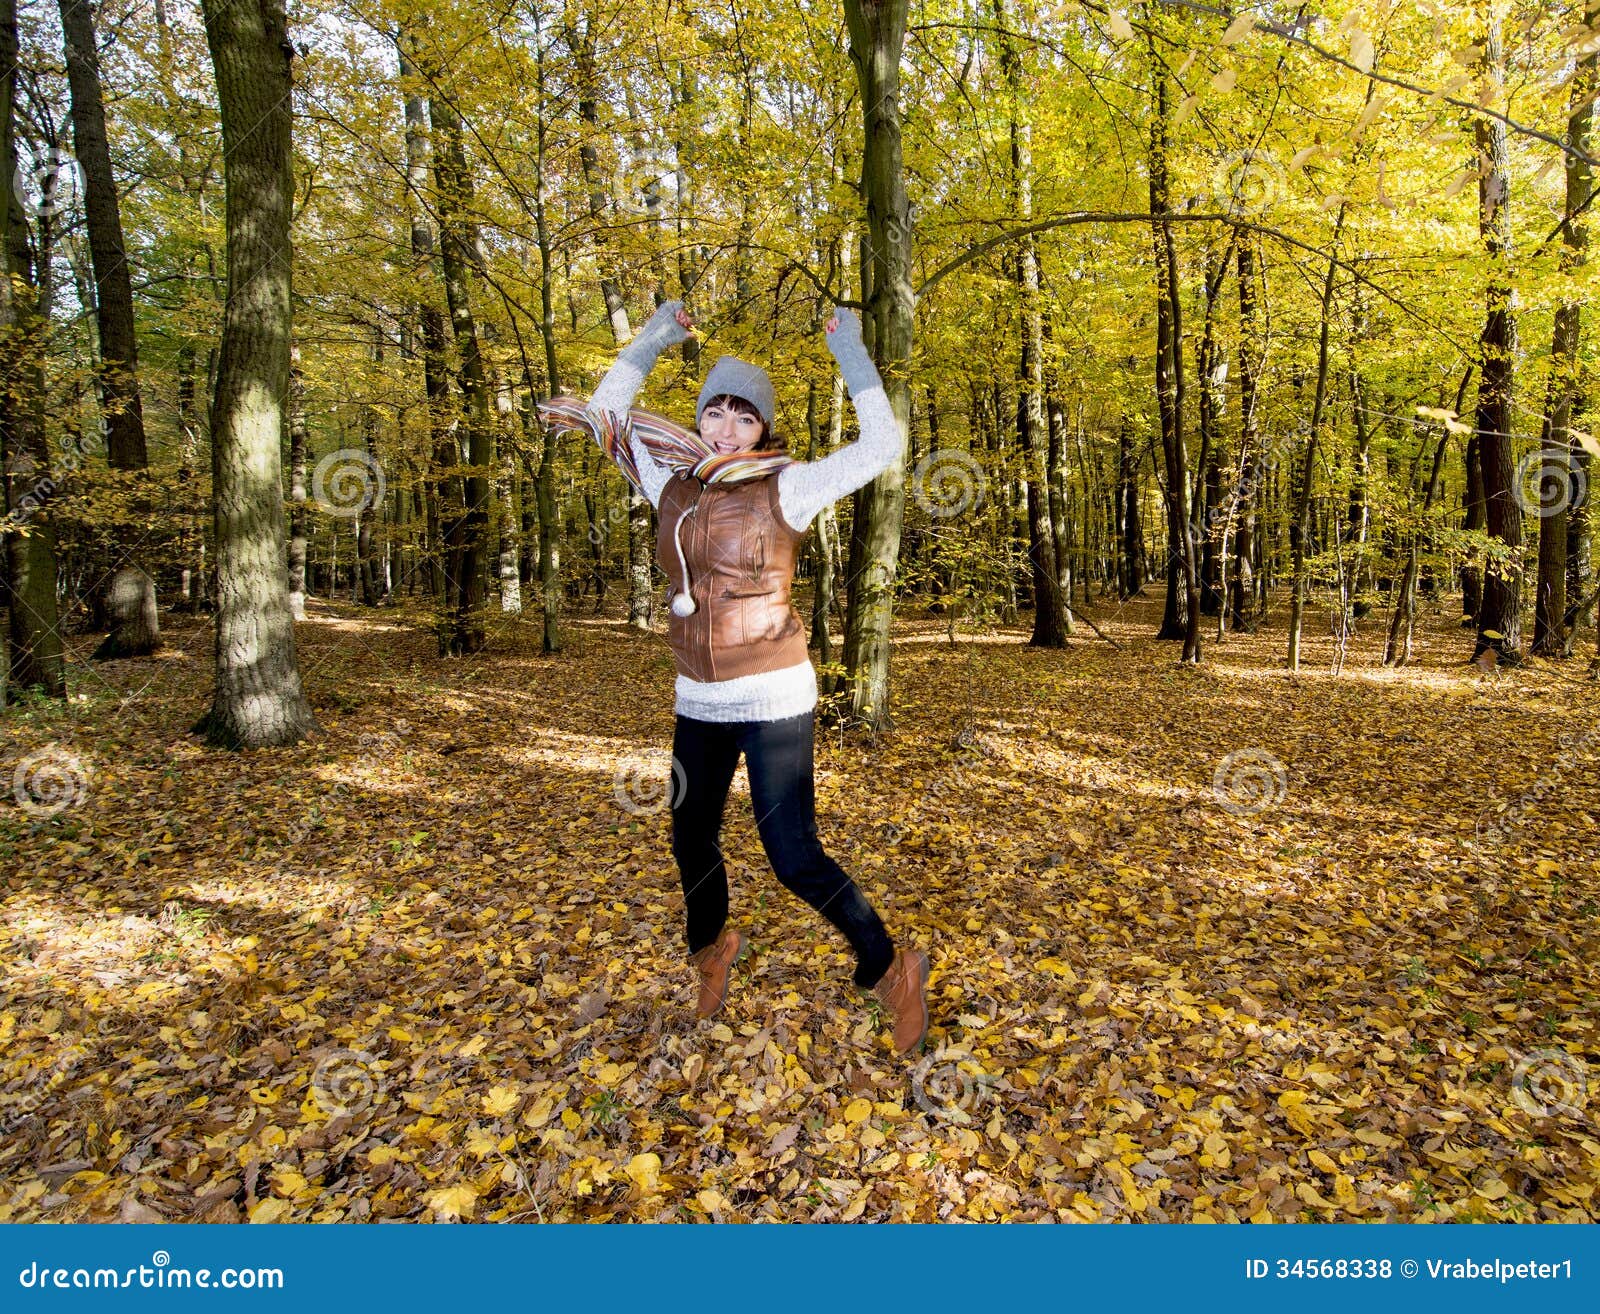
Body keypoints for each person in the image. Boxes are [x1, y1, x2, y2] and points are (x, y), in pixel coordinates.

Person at [579, 299, 929, 1054]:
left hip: (773, 695)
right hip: (696, 698)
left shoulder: (788, 488)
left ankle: (890, 967)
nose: (725, 428)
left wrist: (853, 352)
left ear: (763, 429)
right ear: (701, 419)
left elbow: (882, 445)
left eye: (743, 417)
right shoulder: (669, 483)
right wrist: (656, 337)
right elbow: (604, 413)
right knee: (688, 834)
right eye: (716, 413)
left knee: (793, 856)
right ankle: (711, 950)